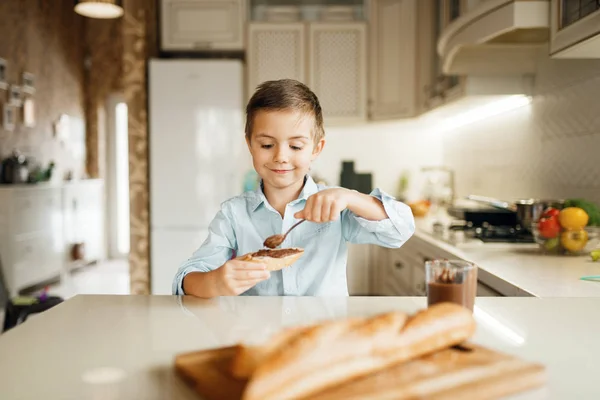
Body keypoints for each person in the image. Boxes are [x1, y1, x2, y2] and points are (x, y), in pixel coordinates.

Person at [172, 79, 415, 297]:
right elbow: (187, 277)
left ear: (316, 149)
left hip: (324, 335)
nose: (281, 157)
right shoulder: (234, 214)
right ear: (250, 145)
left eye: (296, 147)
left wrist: (351, 197)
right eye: (267, 145)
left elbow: (400, 230)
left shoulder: (336, 206)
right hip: (259, 337)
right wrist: (213, 282)